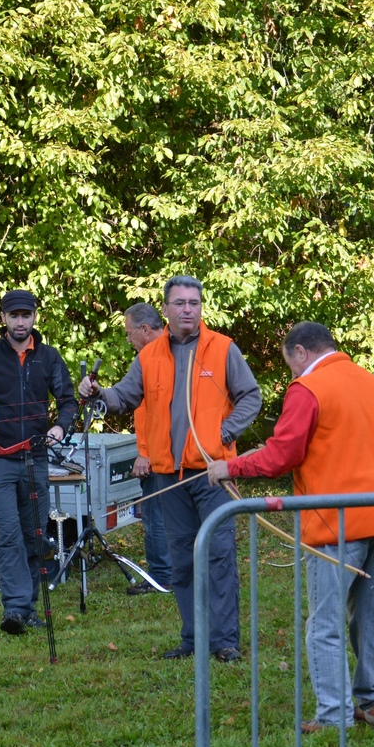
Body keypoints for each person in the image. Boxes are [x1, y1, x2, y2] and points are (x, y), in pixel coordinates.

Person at [209, 322, 374, 732]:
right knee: (370, 616)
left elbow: (282, 455)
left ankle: (334, 716)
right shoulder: (371, 383)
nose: (293, 373)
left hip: (337, 521)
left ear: (301, 352)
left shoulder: (308, 388)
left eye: (291, 364)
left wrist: (231, 466)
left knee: (324, 624)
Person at [78, 276, 262, 661]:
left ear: (200, 307)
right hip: (169, 477)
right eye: (179, 303)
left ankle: (224, 641)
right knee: (182, 560)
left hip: (213, 474)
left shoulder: (223, 348)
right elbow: (123, 396)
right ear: (165, 309)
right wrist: (97, 393)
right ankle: (193, 638)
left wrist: (224, 433)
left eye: (194, 303)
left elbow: (251, 396)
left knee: (219, 555)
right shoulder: (149, 356)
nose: (187, 310)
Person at [0, 289, 78, 636]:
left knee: (34, 535)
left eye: (26, 315)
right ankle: (15, 608)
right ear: (3, 319)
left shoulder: (49, 357)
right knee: (8, 533)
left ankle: (28, 609)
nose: (21, 321)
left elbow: (68, 400)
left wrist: (60, 427)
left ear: (35, 317)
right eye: (14, 316)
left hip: (36, 459)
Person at [121, 302, 173, 595]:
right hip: (173, 453)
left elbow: (155, 414)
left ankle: (162, 577)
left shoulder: (154, 358)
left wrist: (145, 452)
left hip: (158, 455)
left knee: (155, 515)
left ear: (144, 329)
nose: (129, 340)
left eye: (129, 334)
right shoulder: (175, 351)